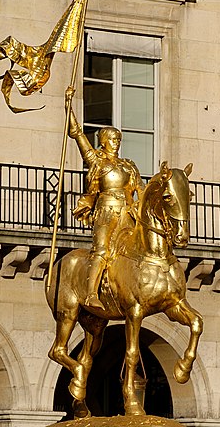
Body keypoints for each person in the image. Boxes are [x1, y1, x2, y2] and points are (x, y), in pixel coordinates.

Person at [69, 108, 145, 310]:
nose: (116, 142)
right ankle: (91, 293)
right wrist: (69, 107)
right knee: (102, 250)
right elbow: (77, 135)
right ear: (103, 141)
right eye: (112, 139)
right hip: (106, 211)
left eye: (118, 139)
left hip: (127, 212)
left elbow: (141, 189)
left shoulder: (128, 165)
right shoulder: (97, 161)